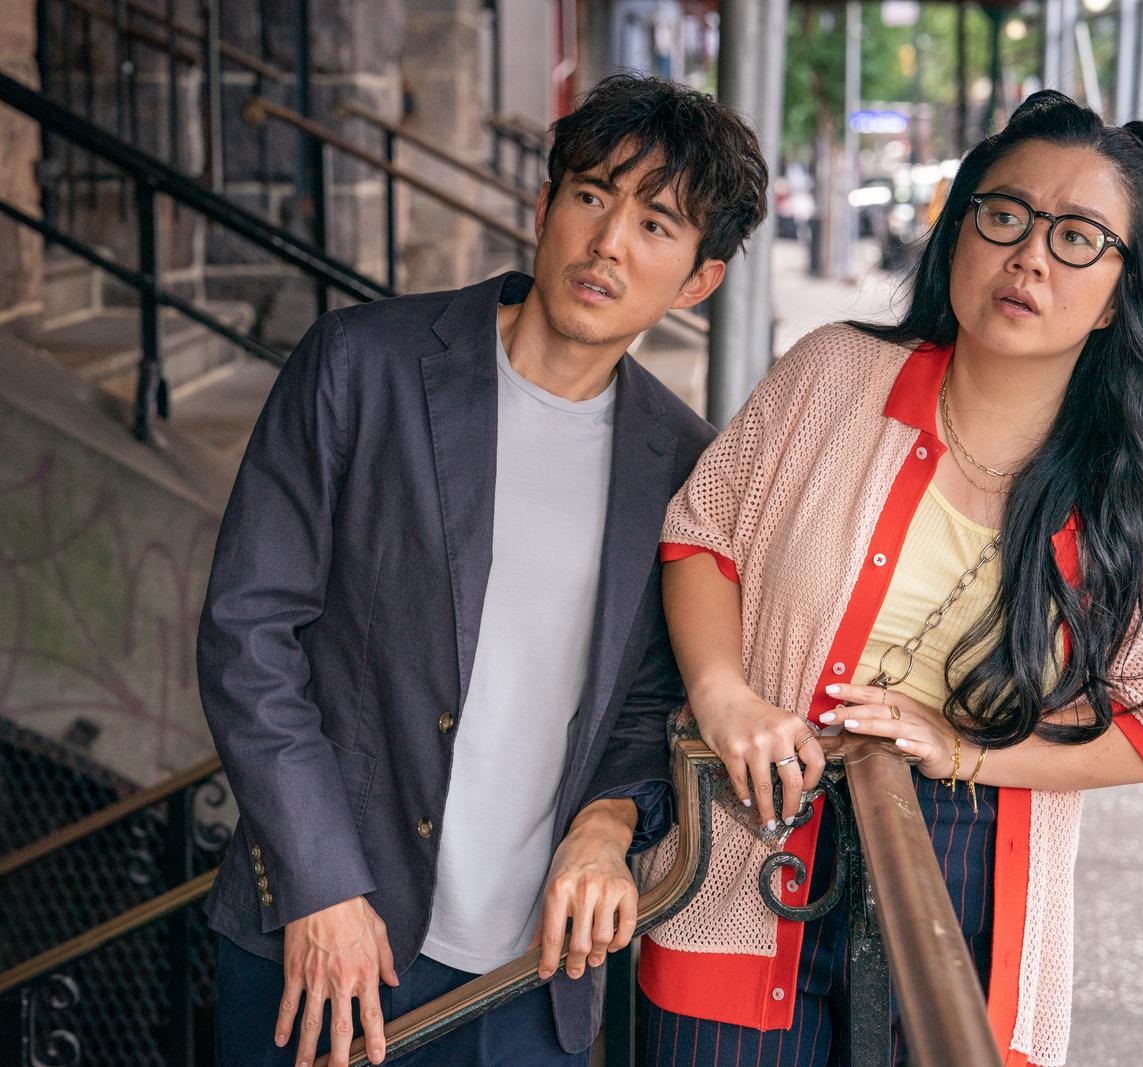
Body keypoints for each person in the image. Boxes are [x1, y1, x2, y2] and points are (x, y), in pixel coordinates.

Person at [635, 91, 1143, 1066]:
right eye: (1006, 216)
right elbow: (705, 533)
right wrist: (723, 692)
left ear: (1120, 291)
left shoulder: (1130, 488)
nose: (1030, 255)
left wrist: (963, 752)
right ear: (958, 230)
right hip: (752, 851)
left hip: (969, 892)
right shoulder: (831, 377)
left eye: (1078, 237)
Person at [197, 74, 768, 1067]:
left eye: (657, 224)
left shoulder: (683, 465)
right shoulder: (359, 365)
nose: (608, 244)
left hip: (528, 983)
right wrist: (323, 882)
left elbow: (647, 698)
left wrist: (611, 814)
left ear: (697, 282)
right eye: (592, 196)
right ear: (544, 207)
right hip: (328, 936)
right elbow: (249, 633)